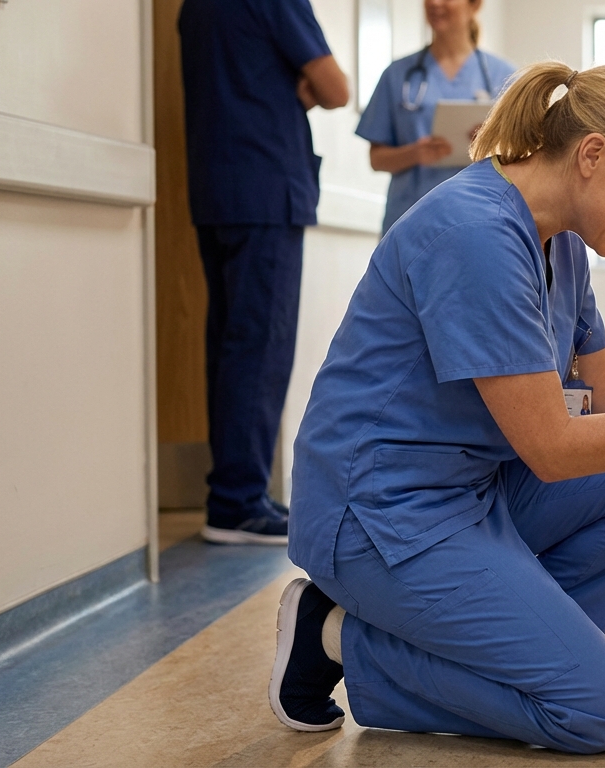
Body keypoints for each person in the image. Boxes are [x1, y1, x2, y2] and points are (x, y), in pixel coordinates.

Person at [270, 60, 605, 753]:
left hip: (473, 492)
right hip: (381, 516)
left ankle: (514, 656)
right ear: (593, 155)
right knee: (596, 711)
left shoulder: (561, 241)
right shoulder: (476, 235)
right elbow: (553, 449)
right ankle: (335, 638)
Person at [178, 0, 349, 545]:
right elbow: (336, 89)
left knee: (229, 346)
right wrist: (299, 85)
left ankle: (234, 490)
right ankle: (237, 502)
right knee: (259, 347)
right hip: (266, 189)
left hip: (216, 189)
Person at [356, 0, 516, 235]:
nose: (434, 3)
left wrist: (492, 143)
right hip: (409, 220)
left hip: (480, 219)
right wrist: (414, 154)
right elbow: (377, 158)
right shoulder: (397, 75)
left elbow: (525, 155)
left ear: (474, 6)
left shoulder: (504, 77)